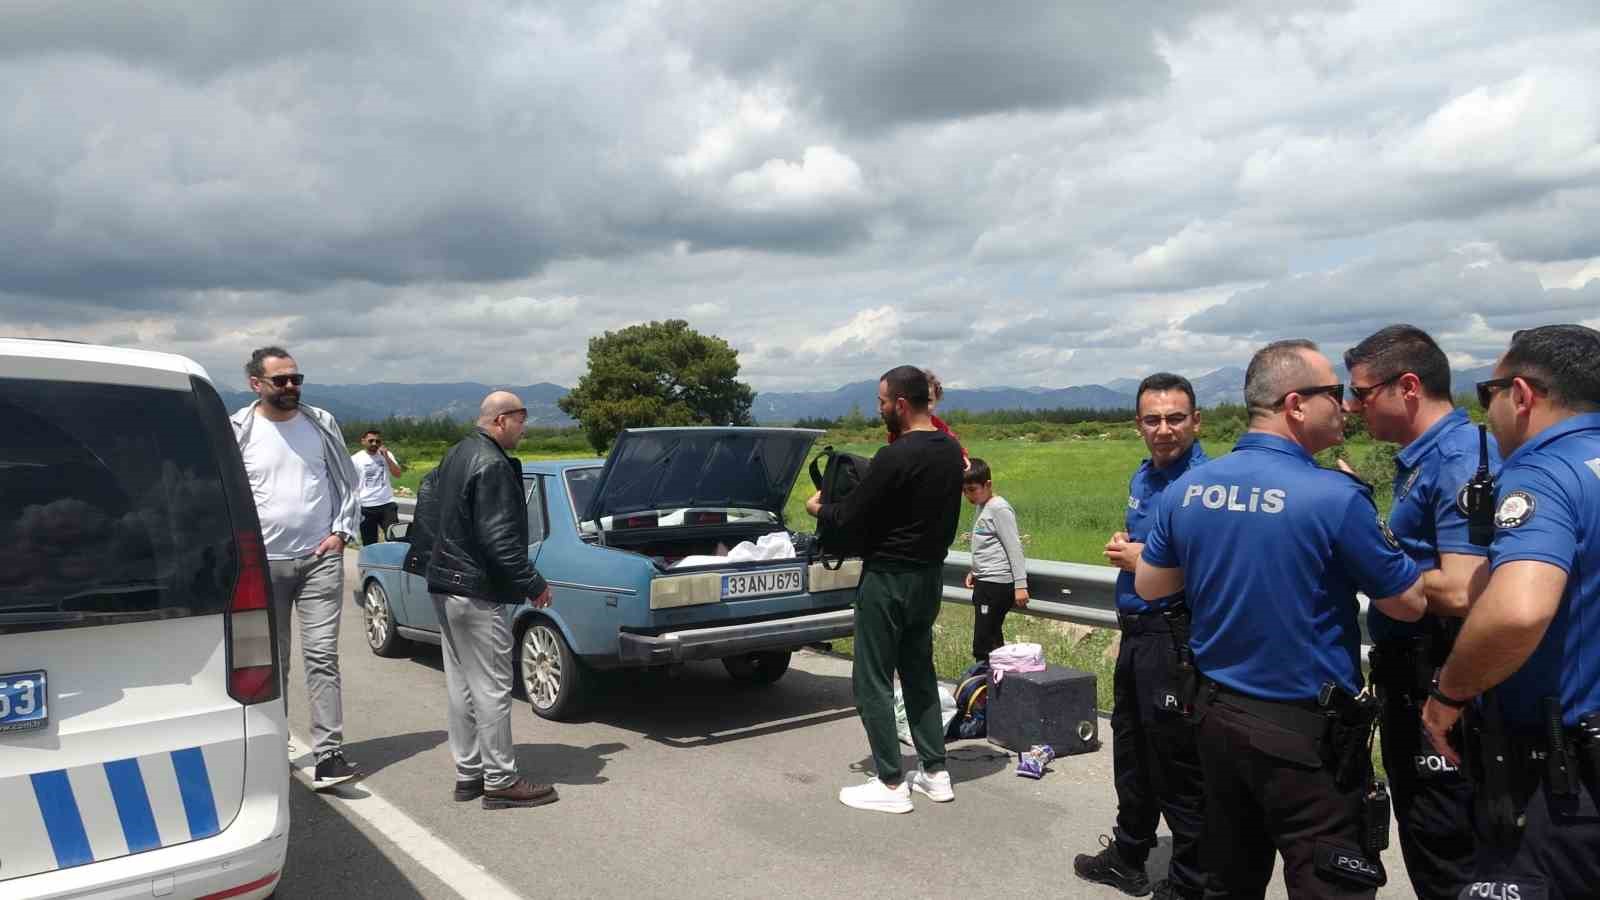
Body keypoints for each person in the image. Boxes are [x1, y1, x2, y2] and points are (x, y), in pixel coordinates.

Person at [1136, 339, 1427, 899]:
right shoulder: (1335, 497)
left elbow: (1151, 585)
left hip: (1215, 717)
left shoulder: (1188, 489)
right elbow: (1407, 603)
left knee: (1228, 877)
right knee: (1329, 880)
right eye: (1335, 395)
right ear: (1295, 404)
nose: (1344, 407)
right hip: (1304, 737)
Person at [1422, 324, 1600, 898]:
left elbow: (1517, 612)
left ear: (1521, 395)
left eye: (1488, 393)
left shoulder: (1544, 471)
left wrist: (1449, 693)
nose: (1489, 411)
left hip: (1563, 776)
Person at [1341, 325, 1497, 900]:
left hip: (1437, 669)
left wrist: (1369, 561)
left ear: (1407, 387)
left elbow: (1461, 588)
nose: (1353, 407)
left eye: (1361, 393)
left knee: (1445, 842)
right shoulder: (1424, 458)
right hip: (1416, 667)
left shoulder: (1455, 459)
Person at [806, 365, 964, 813]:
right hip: (929, 577)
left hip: (888, 578)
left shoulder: (894, 456)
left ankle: (891, 781)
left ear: (899, 404)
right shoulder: (950, 451)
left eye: (880, 403)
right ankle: (935, 771)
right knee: (918, 672)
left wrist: (818, 507)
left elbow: (851, 515)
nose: (879, 411)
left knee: (871, 678)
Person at [1076, 373, 1209, 900]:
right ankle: (1129, 854)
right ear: (1138, 426)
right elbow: (1150, 542)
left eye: (1176, 418)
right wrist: (1129, 546)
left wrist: (1141, 560)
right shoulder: (1144, 478)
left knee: (1176, 762)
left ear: (1196, 421)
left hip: (1175, 636)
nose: (1164, 429)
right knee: (1130, 750)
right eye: (1152, 419)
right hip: (1136, 632)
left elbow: (1216, 565)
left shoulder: (1205, 485)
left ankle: (1191, 881)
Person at [231, 346, 364, 791]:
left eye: (296, 379)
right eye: (281, 380)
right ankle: (274, 744)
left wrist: (341, 533)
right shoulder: (239, 430)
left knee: (323, 656)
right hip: (262, 565)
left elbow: (347, 481)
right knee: (274, 661)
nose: (291, 387)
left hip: (319, 559)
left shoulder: (321, 423)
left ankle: (330, 754)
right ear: (256, 385)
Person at [425, 391, 558, 810]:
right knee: (494, 687)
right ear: (501, 420)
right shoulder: (493, 464)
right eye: (521, 418)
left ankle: (469, 774)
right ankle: (500, 779)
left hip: (446, 583)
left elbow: (428, 506)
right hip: (476, 589)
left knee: (461, 684)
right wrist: (532, 582)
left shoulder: (457, 453)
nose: (525, 427)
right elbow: (499, 539)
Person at [961, 458, 1029, 663]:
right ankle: (996, 685)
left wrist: (1020, 585)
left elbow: (1013, 547)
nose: (968, 496)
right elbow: (987, 545)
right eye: (964, 491)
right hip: (985, 581)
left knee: (984, 643)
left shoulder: (999, 508)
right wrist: (975, 570)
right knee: (991, 639)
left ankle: (988, 685)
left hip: (997, 583)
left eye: (972, 490)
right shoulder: (982, 506)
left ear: (988, 485)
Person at [351, 428, 405, 546]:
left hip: (387, 504)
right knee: (370, 543)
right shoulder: (355, 459)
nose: (374, 444)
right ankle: (372, 564)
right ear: (363, 441)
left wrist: (386, 456)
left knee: (396, 539)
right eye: (371, 441)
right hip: (366, 506)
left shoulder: (387, 455)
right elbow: (350, 482)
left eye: (378, 441)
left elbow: (398, 474)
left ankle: (395, 563)